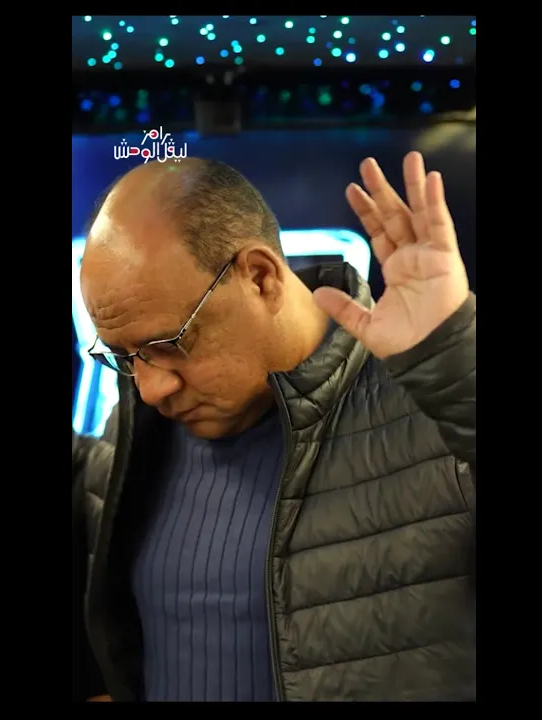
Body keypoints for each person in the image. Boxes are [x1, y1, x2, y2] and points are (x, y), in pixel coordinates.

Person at [71, 153, 476, 702]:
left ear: (260, 277)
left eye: (169, 345)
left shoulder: (433, 406)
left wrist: (457, 363)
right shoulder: (134, 430)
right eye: (124, 357)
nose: (150, 388)